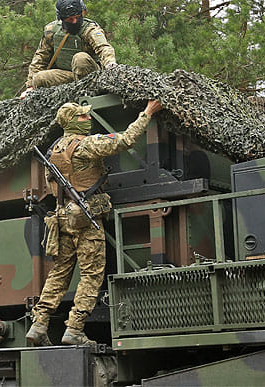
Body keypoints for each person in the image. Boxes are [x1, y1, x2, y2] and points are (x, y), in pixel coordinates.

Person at [26, 99, 163, 346]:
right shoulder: (86, 145)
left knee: (58, 274)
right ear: (71, 122)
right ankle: (75, 329)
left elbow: (52, 185)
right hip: (85, 220)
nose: (88, 119)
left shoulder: (53, 150)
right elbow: (125, 140)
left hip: (62, 218)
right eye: (82, 117)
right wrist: (147, 113)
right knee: (91, 275)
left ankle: (39, 324)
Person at [20, 0, 117, 99]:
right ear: (61, 19)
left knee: (80, 58)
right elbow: (40, 57)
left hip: (91, 76)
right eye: (70, 20)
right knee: (39, 78)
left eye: (77, 17)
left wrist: (110, 65)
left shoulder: (90, 30)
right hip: (68, 76)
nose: (75, 22)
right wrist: (30, 87)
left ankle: (86, 95)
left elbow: (103, 47)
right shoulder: (52, 31)